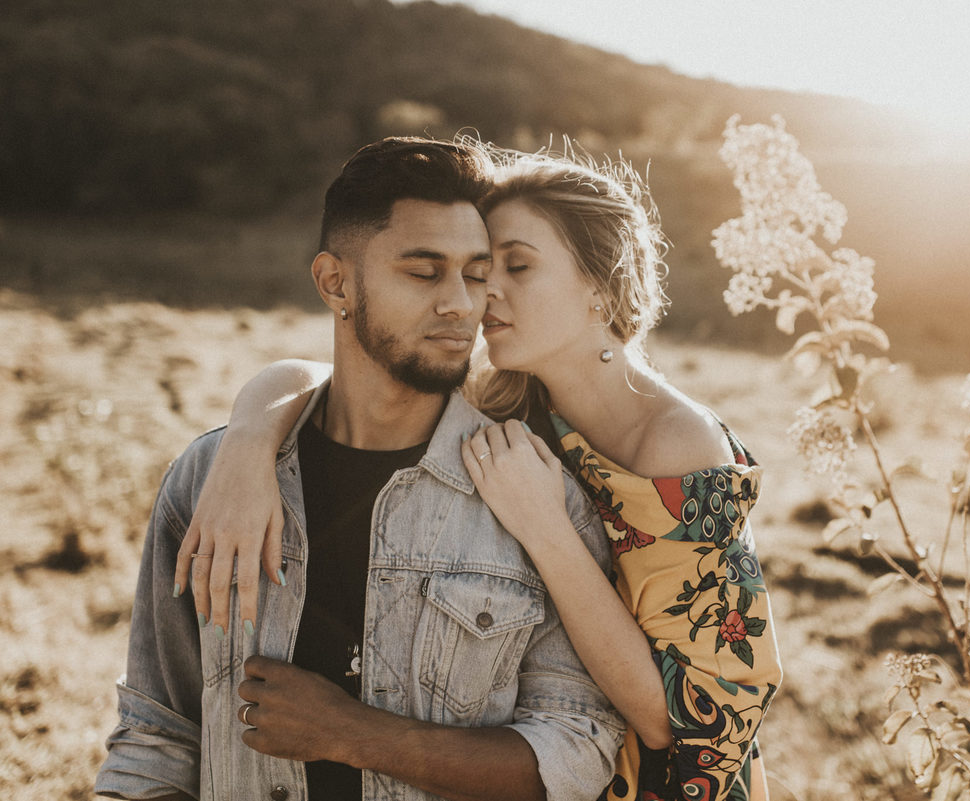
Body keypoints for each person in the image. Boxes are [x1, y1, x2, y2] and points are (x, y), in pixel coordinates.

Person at [179, 144, 783, 801]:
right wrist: (244, 444)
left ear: (600, 287)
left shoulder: (678, 443)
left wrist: (546, 528)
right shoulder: (509, 398)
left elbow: (684, 721)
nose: (480, 294)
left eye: (515, 266)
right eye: (482, 267)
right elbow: (335, 374)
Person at [95, 138, 624, 801]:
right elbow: (159, 735)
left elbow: (579, 749)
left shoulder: (531, 491)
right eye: (424, 272)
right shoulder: (212, 479)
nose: (463, 304)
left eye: (476, 272)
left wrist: (351, 732)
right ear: (335, 282)